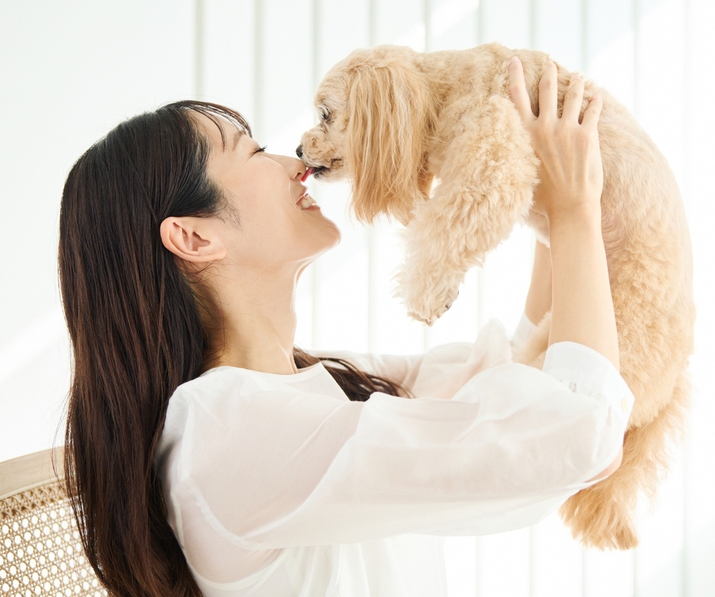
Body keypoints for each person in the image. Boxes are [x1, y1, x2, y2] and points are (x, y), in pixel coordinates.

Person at [58, 57, 632, 597]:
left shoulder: (308, 382)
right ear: (194, 237)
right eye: (253, 152)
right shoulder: (228, 431)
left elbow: (512, 367)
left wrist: (543, 193)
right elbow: (583, 433)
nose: (293, 164)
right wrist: (574, 210)